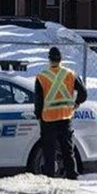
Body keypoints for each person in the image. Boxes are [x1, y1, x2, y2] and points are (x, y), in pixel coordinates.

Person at [35, 47, 87, 180]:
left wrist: (38, 116)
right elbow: (83, 93)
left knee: (49, 152)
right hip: (65, 117)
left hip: (48, 119)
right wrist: (76, 104)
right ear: (61, 59)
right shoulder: (70, 74)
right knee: (68, 150)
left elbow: (38, 102)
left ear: (49, 60)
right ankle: (72, 177)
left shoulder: (42, 77)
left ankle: (49, 179)